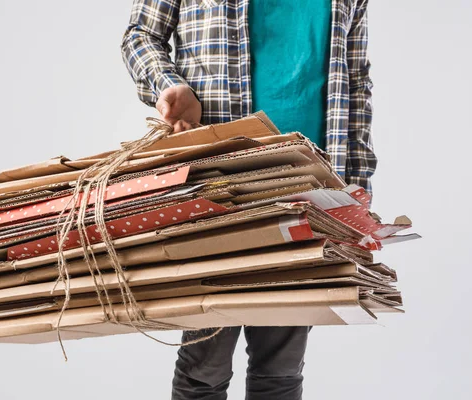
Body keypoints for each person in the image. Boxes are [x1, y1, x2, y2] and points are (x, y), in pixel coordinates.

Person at [121, 1, 377, 399]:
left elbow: (356, 78)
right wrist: (169, 84)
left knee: (281, 369)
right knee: (204, 366)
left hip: (309, 185)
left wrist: (357, 186)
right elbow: (141, 34)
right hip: (219, 182)